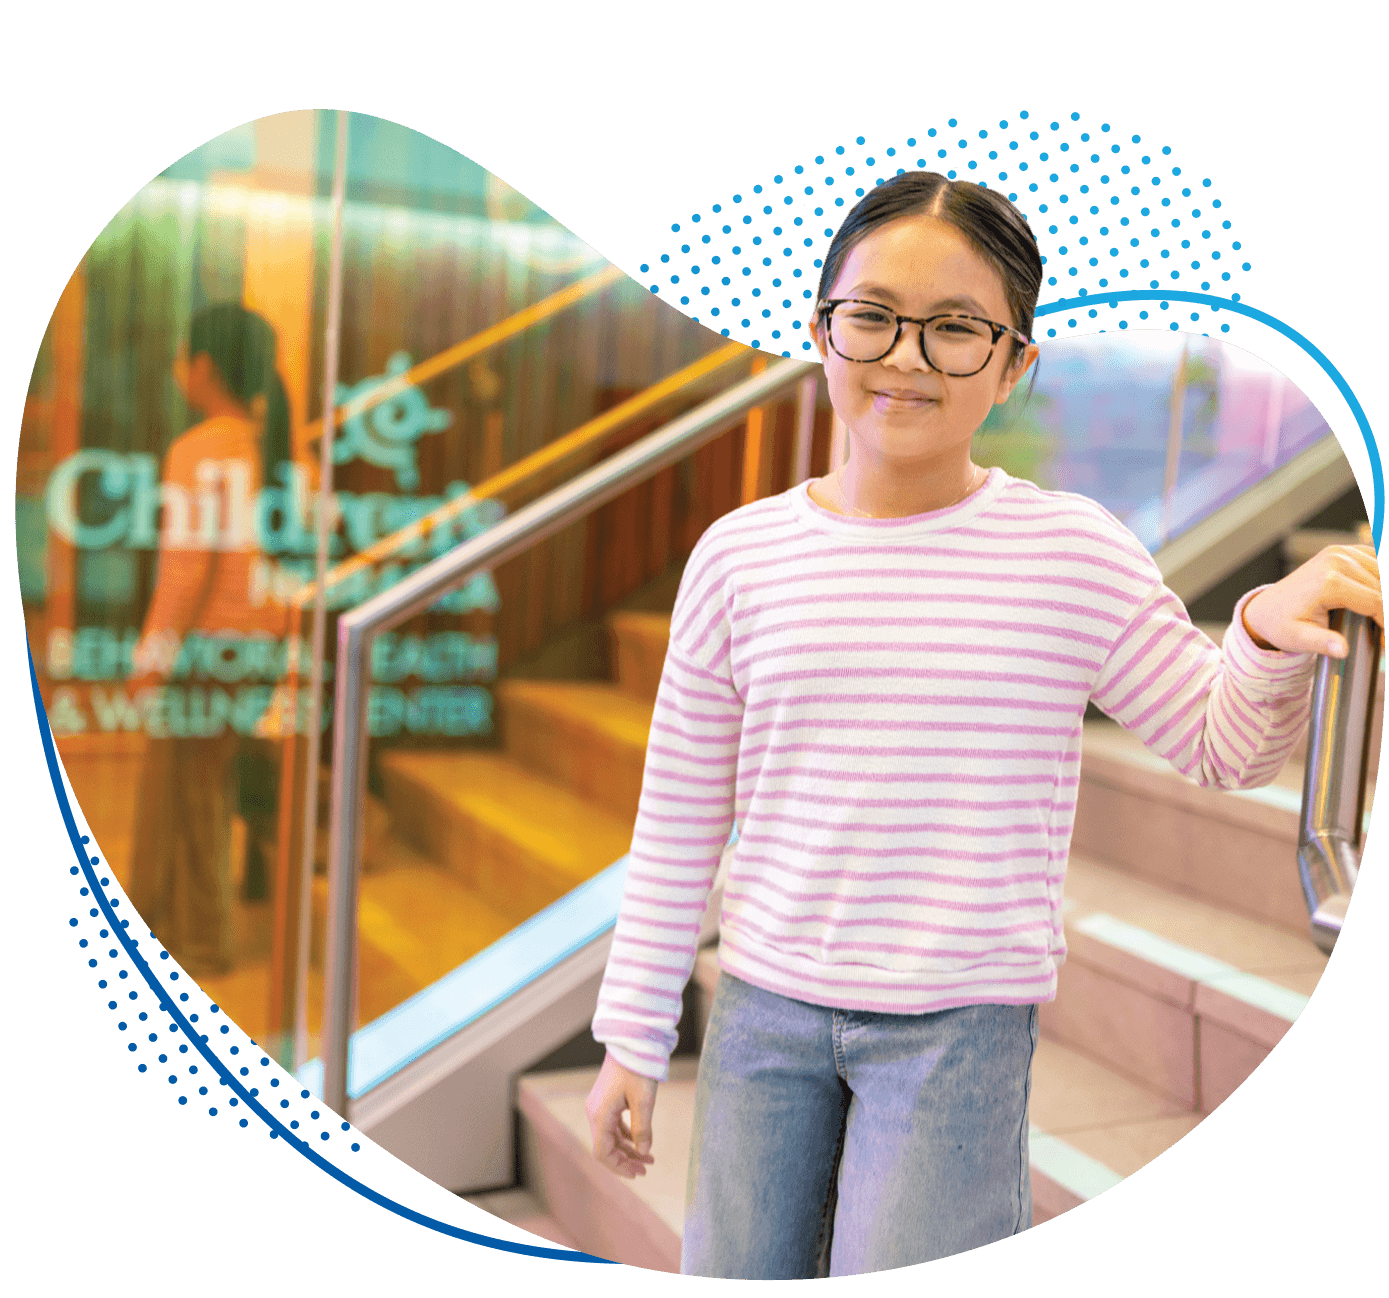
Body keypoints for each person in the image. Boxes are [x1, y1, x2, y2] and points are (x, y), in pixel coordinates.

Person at [583, 172, 1382, 1279]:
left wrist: (1261, 629)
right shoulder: (739, 556)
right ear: (822, 332)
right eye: (873, 315)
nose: (907, 356)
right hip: (763, 1014)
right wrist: (632, 1033)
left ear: (1014, 366)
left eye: (957, 328)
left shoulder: (1070, 551)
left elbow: (1222, 743)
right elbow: (677, 813)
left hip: (956, 1033)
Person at [127, 303, 291, 975]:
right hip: (255, 644)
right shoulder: (266, 445)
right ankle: (181, 933)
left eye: (183, 356)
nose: (176, 370)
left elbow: (185, 572)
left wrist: (152, 657)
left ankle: (195, 941)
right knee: (204, 791)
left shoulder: (198, 450)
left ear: (203, 367)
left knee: (184, 798)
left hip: (206, 646)